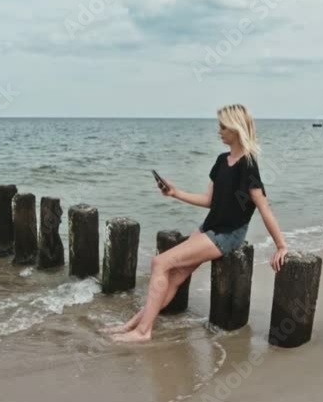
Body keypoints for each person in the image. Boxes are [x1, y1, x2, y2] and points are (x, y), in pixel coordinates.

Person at [102, 104, 289, 342]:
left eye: (223, 126)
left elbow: (264, 208)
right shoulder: (221, 161)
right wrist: (175, 193)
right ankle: (132, 325)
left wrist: (281, 245)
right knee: (174, 276)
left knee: (160, 262)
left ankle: (143, 332)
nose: (219, 131)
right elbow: (209, 200)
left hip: (228, 235)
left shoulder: (248, 165)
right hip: (208, 228)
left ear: (236, 128)